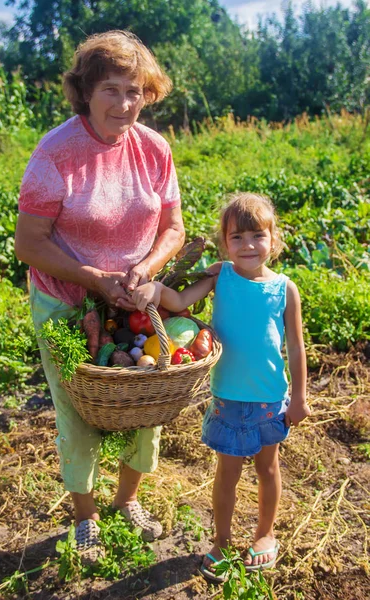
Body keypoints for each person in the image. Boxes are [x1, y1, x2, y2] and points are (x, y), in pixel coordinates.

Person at [14, 30, 185, 564]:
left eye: (135, 91)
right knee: (78, 410)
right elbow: (29, 242)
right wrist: (94, 279)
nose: (125, 103)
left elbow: (174, 228)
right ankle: (85, 514)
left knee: (146, 399)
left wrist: (144, 270)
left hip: (134, 303)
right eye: (112, 89)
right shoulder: (57, 152)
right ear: (85, 90)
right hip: (67, 302)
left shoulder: (154, 149)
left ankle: (128, 500)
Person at [132, 192, 310, 580]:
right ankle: (222, 541)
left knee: (268, 468)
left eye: (257, 236)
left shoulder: (285, 288)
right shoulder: (220, 276)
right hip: (228, 396)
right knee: (227, 473)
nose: (248, 245)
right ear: (224, 243)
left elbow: (295, 347)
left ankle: (265, 535)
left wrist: (299, 397)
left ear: (273, 239)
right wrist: (156, 291)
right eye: (237, 238)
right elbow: (179, 302)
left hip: (269, 398)